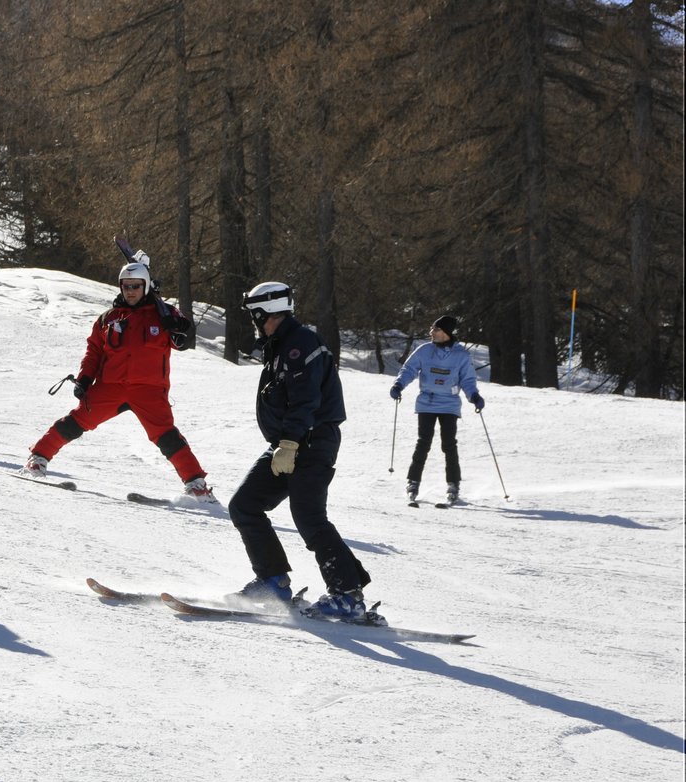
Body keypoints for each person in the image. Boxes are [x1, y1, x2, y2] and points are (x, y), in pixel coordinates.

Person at [227, 281, 370, 619]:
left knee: (309, 517)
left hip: (311, 442)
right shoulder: (280, 346)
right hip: (287, 445)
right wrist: (285, 444)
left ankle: (347, 594)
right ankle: (273, 579)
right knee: (244, 505)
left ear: (268, 313)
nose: (253, 322)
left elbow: (307, 399)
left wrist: (290, 443)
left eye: (255, 315)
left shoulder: (299, 344)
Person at [24, 258, 214, 500]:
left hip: (149, 391)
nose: (130, 291)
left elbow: (184, 342)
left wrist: (178, 325)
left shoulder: (164, 313)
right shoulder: (108, 318)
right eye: (126, 286)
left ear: (145, 286)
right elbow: (94, 351)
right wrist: (84, 379)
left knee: (167, 437)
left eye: (135, 286)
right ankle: (38, 458)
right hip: (110, 387)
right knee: (76, 422)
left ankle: (197, 486)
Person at [391, 313, 484, 505]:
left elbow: (467, 380)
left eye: (437, 329)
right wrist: (398, 385)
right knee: (423, 442)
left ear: (447, 333)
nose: (432, 332)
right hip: (427, 402)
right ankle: (413, 481)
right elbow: (408, 370)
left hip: (449, 404)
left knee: (449, 445)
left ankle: (453, 484)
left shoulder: (461, 356)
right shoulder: (425, 351)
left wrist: (474, 396)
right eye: (433, 328)